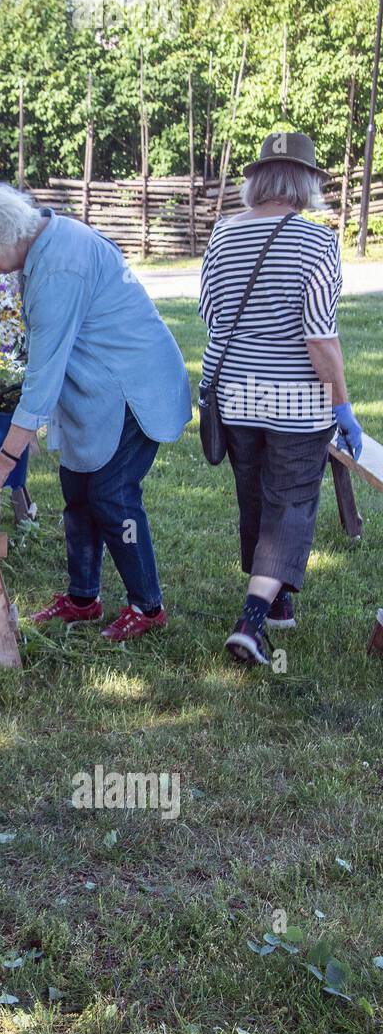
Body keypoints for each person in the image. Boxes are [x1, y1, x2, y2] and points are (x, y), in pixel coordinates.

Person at [0, 182, 192, 643]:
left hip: (132, 389)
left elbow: (44, 373)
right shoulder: (44, 244)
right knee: (78, 491)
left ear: (1, 231)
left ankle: (147, 606)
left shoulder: (59, 266)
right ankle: (83, 599)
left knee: (113, 497)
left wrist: (5, 458)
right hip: (99, 391)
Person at [199, 131, 364, 666]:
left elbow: (210, 313)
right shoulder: (317, 243)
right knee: (290, 504)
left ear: (258, 180)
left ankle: (278, 605)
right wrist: (342, 405)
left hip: (236, 397)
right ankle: (251, 619)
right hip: (297, 403)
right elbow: (321, 338)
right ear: (306, 183)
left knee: (256, 498)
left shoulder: (222, 235)